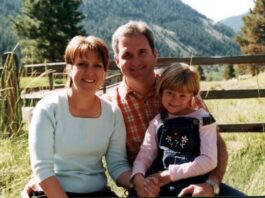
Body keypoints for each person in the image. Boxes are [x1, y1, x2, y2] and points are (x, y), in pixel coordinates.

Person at [23, 20, 245, 197]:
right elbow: (58, 162)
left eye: (142, 52)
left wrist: (211, 185)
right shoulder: (112, 105)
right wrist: (139, 182)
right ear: (117, 62)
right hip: (147, 189)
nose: (136, 61)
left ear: (154, 54)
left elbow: (216, 144)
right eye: (127, 55)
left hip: (197, 184)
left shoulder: (181, 92)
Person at [26, 35, 132, 198]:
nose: (90, 72)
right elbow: (42, 169)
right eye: (82, 64)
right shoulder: (49, 108)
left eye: (97, 65)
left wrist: (139, 183)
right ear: (69, 68)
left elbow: (117, 165)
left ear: (104, 72)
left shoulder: (112, 113)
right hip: (53, 193)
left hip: (98, 194)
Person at [130, 63, 218, 196]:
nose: (175, 100)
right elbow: (145, 155)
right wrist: (138, 176)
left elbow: (209, 160)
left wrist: (169, 175)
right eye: (170, 93)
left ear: (192, 95)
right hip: (158, 183)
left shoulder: (204, 119)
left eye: (182, 95)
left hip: (192, 183)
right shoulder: (157, 121)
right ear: (161, 91)